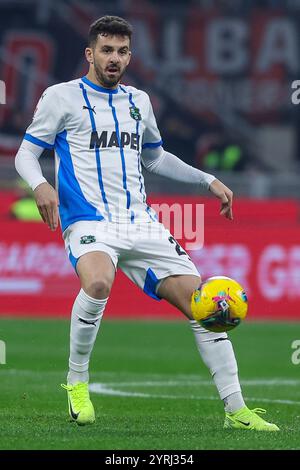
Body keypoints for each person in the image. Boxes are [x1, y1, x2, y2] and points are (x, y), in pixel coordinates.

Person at [15, 15, 279, 431]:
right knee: (99, 282)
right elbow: (26, 154)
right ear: (90, 54)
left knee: (205, 305)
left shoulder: (139, 101)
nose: (114, 58)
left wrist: (206, 178)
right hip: (90, 218)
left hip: (142, 222)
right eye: (106, 50)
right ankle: (77, 381)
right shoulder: (60, 98)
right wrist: (40, 185)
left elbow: (154, 157)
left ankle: (237, 411)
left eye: (121, 51)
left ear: (130, 55)